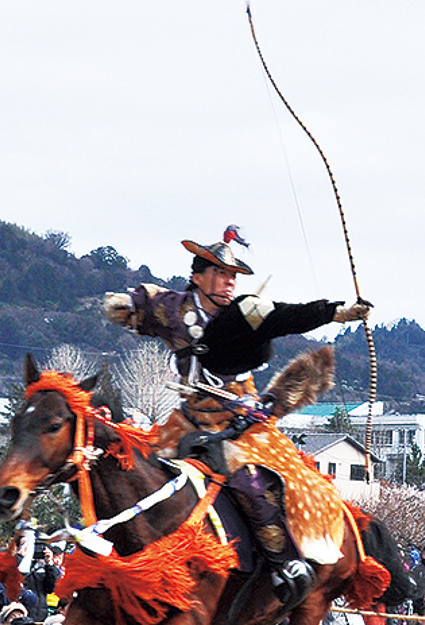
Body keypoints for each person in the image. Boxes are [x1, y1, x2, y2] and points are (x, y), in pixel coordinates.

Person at [102, 227, 372, 605]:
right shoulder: (175, 307)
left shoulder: (246, 312)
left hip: (240, 417)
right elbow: (145, 301)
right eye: (221, 274)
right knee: (137, 470)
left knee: (250, 481)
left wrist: (336, 312)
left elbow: (285, 317)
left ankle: (285, 564)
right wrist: (124, 305)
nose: (229, 283)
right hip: (190, 414)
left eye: (233, 277)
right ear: (199, 276)